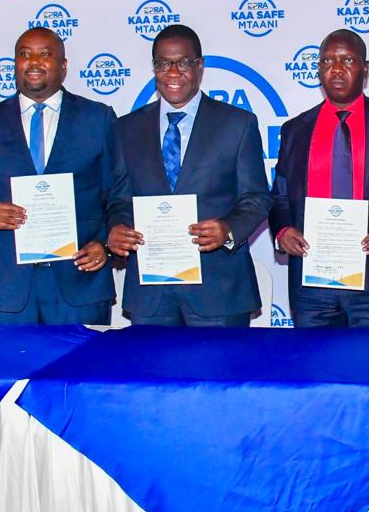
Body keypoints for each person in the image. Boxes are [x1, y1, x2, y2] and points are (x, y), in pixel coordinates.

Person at [0, 27, 118, 325]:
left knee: (77, 372)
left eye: (45, 54)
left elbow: (118, 192)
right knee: (12, 371)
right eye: (24, 54)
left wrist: (104, 244)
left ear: (63, 66)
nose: (33, 61)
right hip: (7, 287)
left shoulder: (97, 117)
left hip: (79, 282)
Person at [105, 25, 270, 326]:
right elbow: (119, 197)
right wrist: (116, 228)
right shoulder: (126, 129)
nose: (173, 72)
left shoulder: (237, 124)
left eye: (182, 62)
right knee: (154, 373)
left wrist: (228, 229)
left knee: (219, 373)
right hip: (151, 291)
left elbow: (257, 197)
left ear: (199, 65)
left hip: (218, 289)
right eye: (163, 63)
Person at [268, 29, 369, 326]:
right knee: (317, 371)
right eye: (328, 60)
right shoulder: (295, 130)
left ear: (365, 68)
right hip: (311, 283)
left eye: (348, 60)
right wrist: (282, 232)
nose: (337, 69)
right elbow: (278, 196)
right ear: (319, 69)